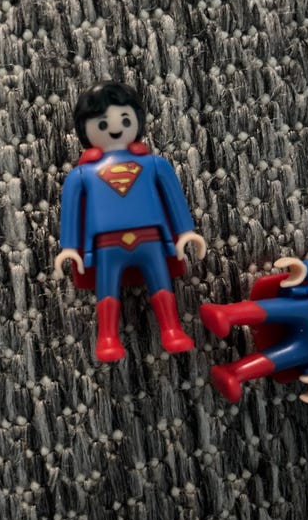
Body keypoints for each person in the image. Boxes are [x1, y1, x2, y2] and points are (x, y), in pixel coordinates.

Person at [55, 82, 206, 362]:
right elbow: (72, 211)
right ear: (85, 129)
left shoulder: (154, 165)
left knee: (160, 282)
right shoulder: (81, 175)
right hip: (107, 246)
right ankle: (107, 337)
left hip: (150, 240)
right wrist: (69, 247)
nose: (114, 128)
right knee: (107, 288)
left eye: (124, 119)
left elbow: (174, 198)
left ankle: (172, 329)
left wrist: (186, 231)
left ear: (137, 120)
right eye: (102, 123)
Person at [201, 257, 308, 402]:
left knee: (285, 357)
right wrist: (306, 270)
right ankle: (226, 313)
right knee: (285, 308)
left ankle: (234, 374)